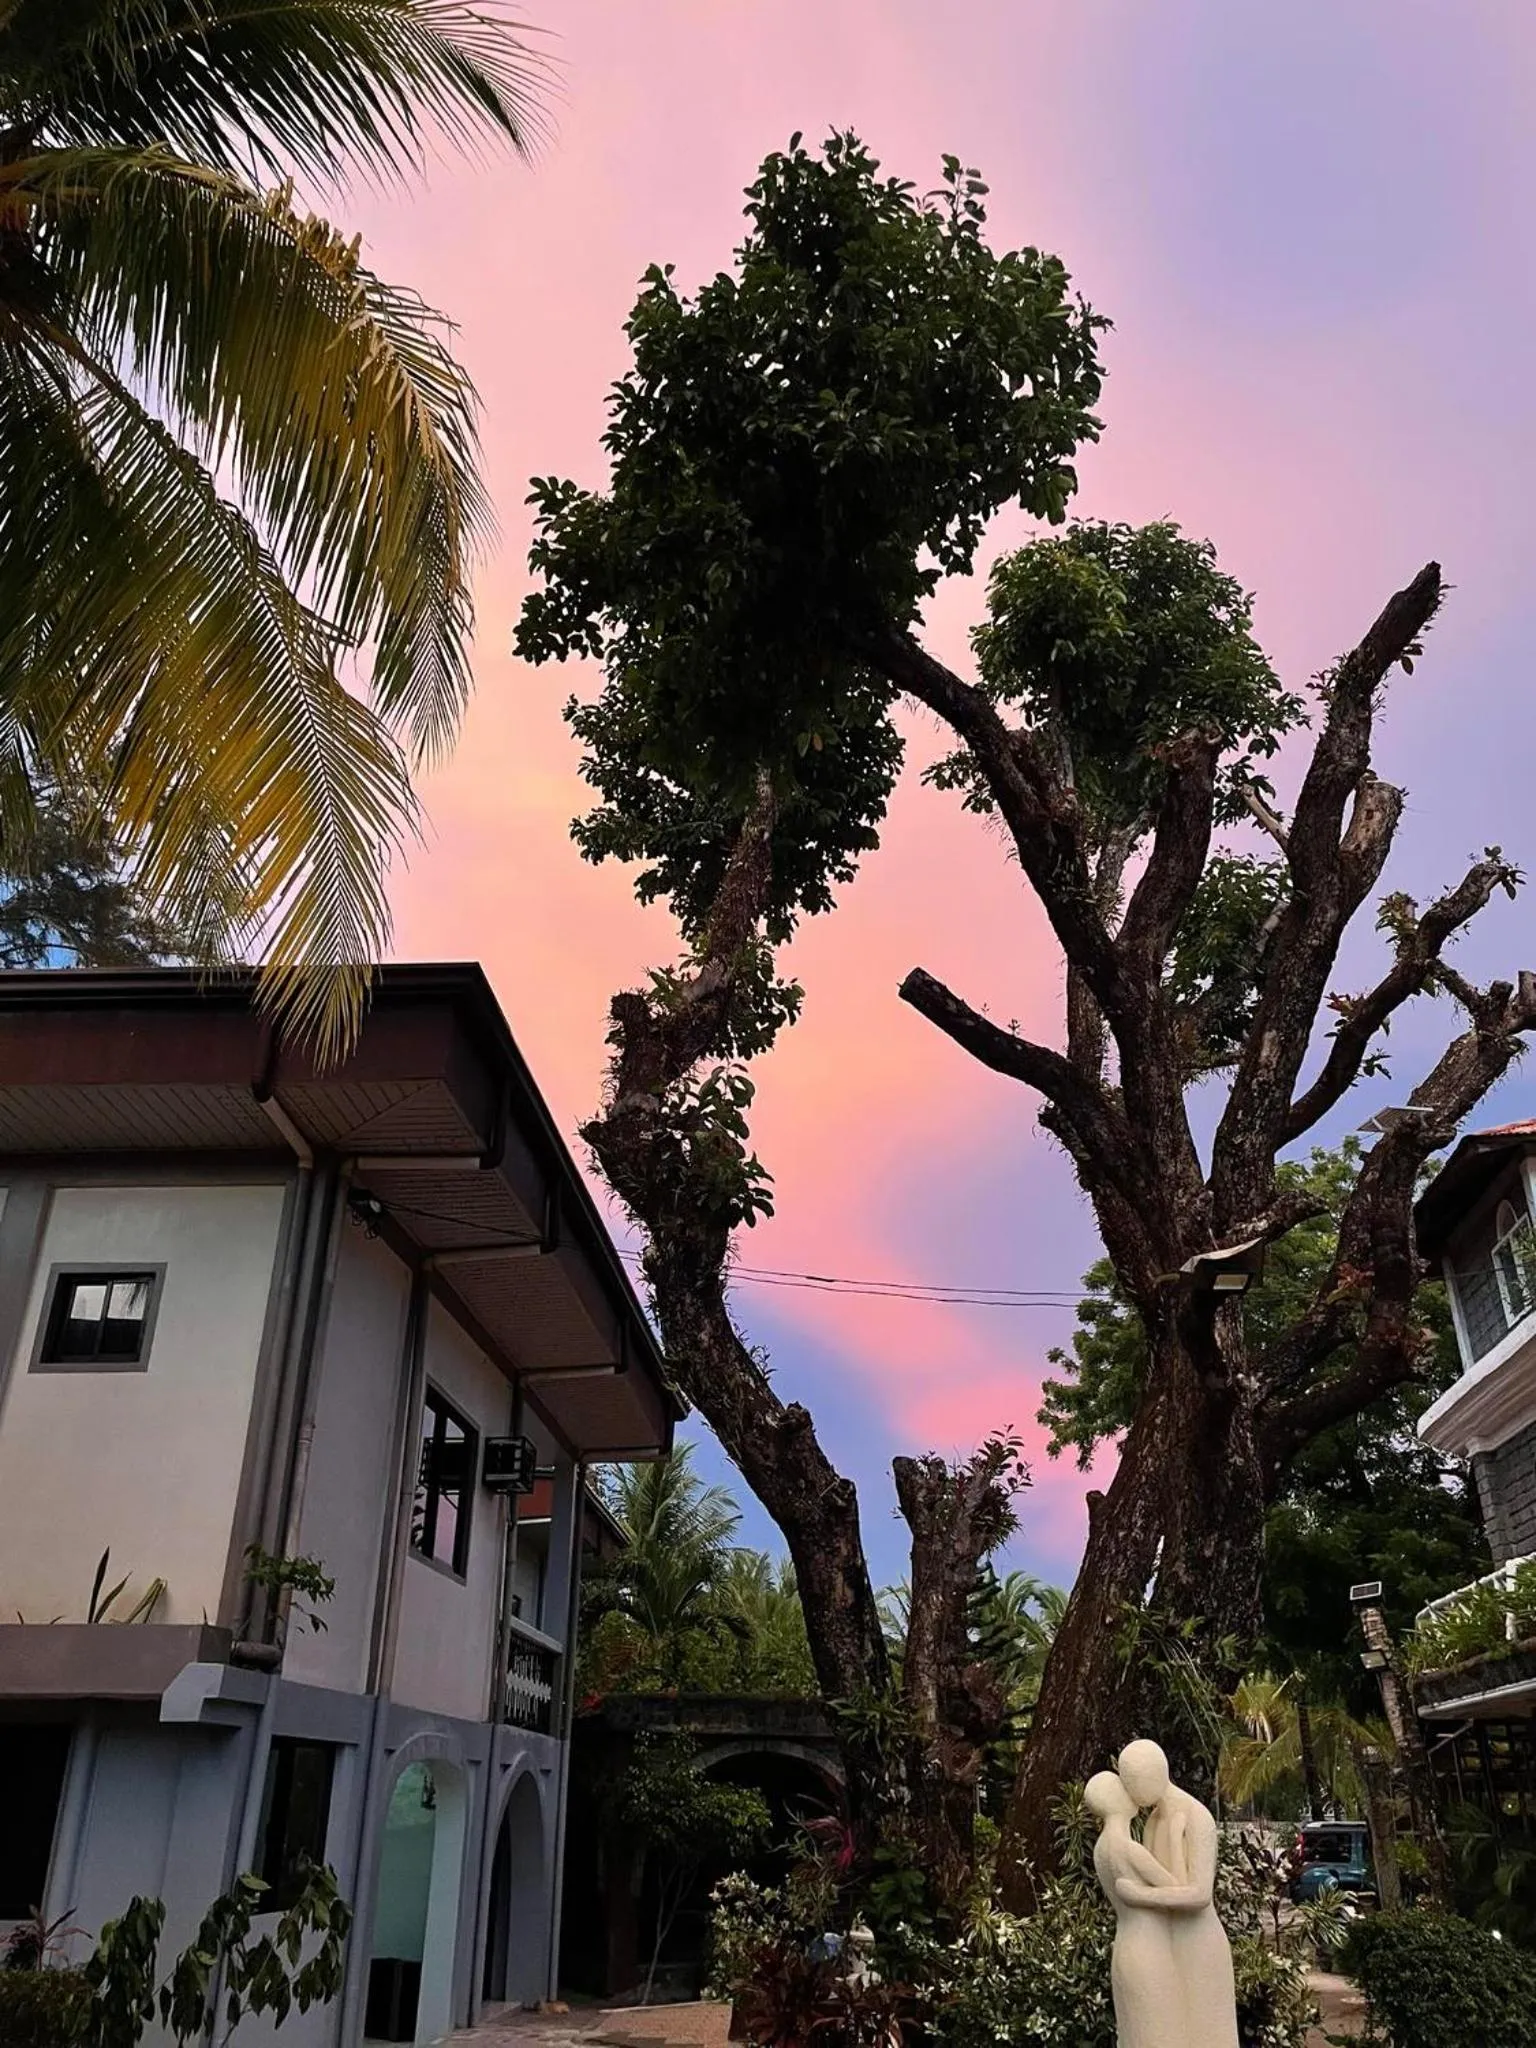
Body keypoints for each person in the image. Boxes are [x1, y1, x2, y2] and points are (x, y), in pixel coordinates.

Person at [1115, 1740, 1239, 2048]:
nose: (1131, 1791)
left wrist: (1140, 1897)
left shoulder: (1198, 1817)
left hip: (1199, 1941)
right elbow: (1166, 1881)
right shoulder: (1153, 1822)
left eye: (1134, 1780)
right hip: (1168, 1938)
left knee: (1209, 2032)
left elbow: (1199, 1895)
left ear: (1156, 1773)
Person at [1084, 1770, 1189, 2048]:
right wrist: (1176, 1839)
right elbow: (1178, 1888)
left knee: (1134, 2036)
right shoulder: (1129, 1849)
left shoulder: (1100, 1849)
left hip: (1126, 1946)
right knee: (1160, 2034)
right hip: (1149, 1949)